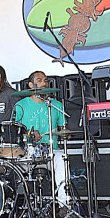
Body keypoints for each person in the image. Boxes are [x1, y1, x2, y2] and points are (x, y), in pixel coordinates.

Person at [14, 71, 68, 206]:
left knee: (62, 159)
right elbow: (13, 132)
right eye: (39, 80)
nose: (44, 83)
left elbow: (64, 129)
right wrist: (29, 133)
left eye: (45, 80)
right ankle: (17, 206)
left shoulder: (56, 105)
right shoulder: (20, 105)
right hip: (26, 154)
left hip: (51, 152)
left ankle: (64, 205)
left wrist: (65, 133)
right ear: (31, 85)